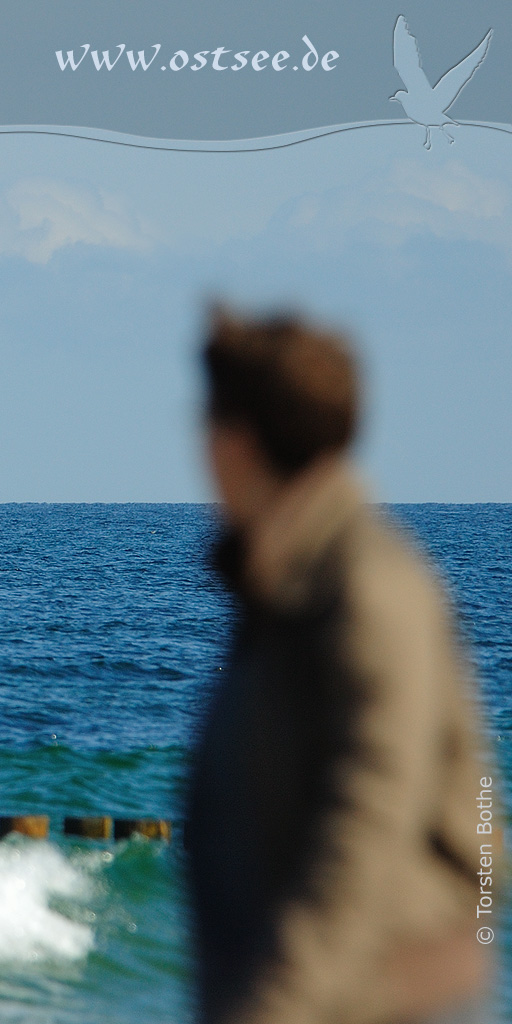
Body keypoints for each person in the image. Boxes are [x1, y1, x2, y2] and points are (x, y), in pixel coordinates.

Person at [185, 306, 499, 1024]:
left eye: (207, 427)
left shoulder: (363, 589)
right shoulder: (286, 587)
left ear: (239, 443)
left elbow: (372, 819)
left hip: (368, 1002)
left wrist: (281, 1003)